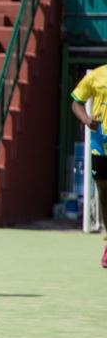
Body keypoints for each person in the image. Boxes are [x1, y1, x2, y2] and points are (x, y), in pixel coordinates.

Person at [69, 65, 107, 267]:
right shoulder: (97, 76)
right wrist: (86, 119)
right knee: (104, 193)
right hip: (101, 145)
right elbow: (76, 102)